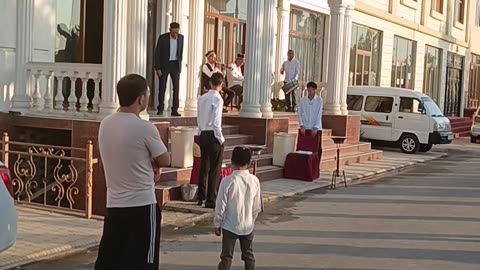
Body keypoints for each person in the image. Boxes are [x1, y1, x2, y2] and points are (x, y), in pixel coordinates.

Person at [95, 74, 171, 270]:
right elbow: (165, 159)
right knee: (144, 262)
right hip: (142, 205)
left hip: (114, 205)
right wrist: (154, 162)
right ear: (141, 99)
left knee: (111, 260)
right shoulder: (144, 128)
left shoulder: (105, 124)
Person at [214, 147, 261, 270]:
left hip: (230, 225)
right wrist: (252, 220)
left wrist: (217, 223)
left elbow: (220, 205)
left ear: (232, 161)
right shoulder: (255, 180)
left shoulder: (227, 181)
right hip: (248, 225)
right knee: (248, 255)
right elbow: (256, 206)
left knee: (226, 256)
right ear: (249, 163)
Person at [197, 73, 226, 208]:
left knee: (204, 165)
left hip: (202, 133)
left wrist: (200, 131)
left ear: (210, 83)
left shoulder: (202, 98)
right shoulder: (218, 99)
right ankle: (210, 199)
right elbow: (216, 122)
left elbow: (198, 117)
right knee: (214, 168)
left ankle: (200, 196)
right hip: (213, 134)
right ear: (221, 85)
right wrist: (220, 138)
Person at [155, 22, 184, 116]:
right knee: (162, 87)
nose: (175, 34)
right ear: (170, 30)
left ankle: (175, 109)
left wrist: (180, 66)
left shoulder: (181, 38)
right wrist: (158, 67)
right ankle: (160, 108)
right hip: (165, 65)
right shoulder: (163, 38)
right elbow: (157, 53)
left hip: (175, 65)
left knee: (176, 88)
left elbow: (180, 52)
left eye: (177, 32)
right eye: (173, 32)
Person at [297, 81, 324, 158]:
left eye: (311, 90)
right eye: (308, 90)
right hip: (305, 127)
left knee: (316, 148)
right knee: (304, 147)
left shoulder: (319, 100)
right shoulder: (302, 100)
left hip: (316, 127)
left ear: (315, 90)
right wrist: (301, 125)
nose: (309, 92)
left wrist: (316, 127)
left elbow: (319, 114)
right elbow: (299, 113)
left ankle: (316, 165)